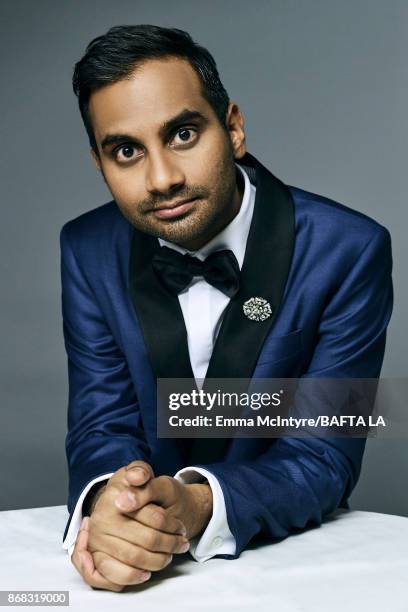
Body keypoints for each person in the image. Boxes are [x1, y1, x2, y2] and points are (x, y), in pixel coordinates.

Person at [60, 24, 393, 592]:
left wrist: (197, 504)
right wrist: (110, 502)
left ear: (233, 128)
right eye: (126, 151)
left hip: (288, 571)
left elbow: (325, 453)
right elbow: (101, 423)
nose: (162, 179)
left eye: (184, 134)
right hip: (143, 580)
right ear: (98, 162)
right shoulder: (86, 248)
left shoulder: (350, 249)